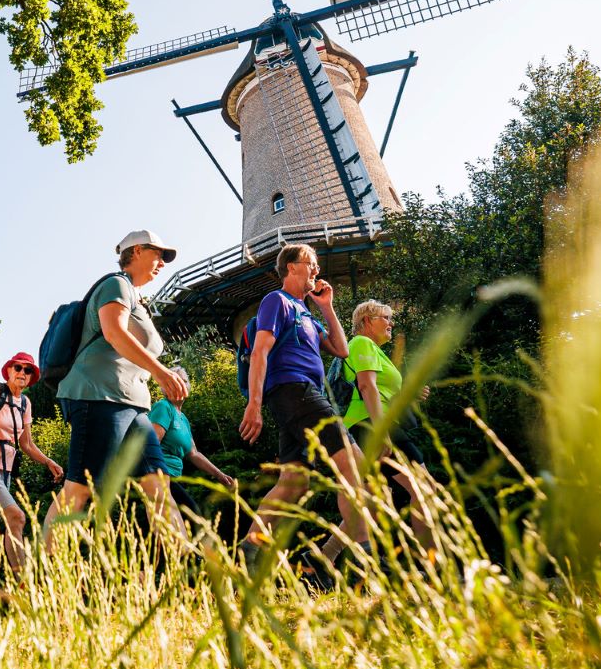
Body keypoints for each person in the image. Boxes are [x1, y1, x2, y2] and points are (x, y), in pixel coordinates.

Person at [42, 230, 192, 551]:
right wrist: (162, 372)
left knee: (159, 489)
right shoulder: (116, 285)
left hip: (134, 405)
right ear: (136, 251)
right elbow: (113, 332)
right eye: (158, 255)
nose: (162, 264)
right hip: (98, 396)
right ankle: (40, 579)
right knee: (79, 490)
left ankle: (184, 577)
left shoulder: (137, 299)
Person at [236, 243, 363, 565]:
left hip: (298, 396)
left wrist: (327, 307)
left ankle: (250, 552)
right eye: (311, 263)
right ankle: (368, 556)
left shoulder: (304, 311)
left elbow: (340, 349)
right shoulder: (276, 301)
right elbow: (260, 352)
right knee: (353, 465)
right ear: (291, 267)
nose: (317, 270)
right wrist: (254, 404)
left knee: (294, 482)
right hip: (295, 391)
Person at [341, 300, 437, 547]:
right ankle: (433, 567)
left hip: (368, 424)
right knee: (425, 489)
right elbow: (366, 386)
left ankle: (323, 559)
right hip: (372, 425)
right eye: (385, 317)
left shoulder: (374, 349)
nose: (391, 323)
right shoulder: (361, 342)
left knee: (372, 500)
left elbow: (380, 389)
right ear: (366, 321)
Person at [0, 352, 65, 571]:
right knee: (17, 518)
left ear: (31, 377)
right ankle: (24, 582)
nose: (22, 373)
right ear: (9, 370)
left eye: (27, 370)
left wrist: (48, 461)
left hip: (4, 473)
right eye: (17, 368)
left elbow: (26, 443)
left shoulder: (25, 404)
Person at [147, 367, 236, 519]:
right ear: (165, 386)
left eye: (185, 381)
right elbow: (151, 444)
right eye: (177, 381)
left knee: (182, 521)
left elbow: (193, 454)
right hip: (162, 477)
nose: (182, 384)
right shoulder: (163, 407)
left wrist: (220, 475)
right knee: (193, 515)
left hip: (176, 477)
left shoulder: (183, 419)